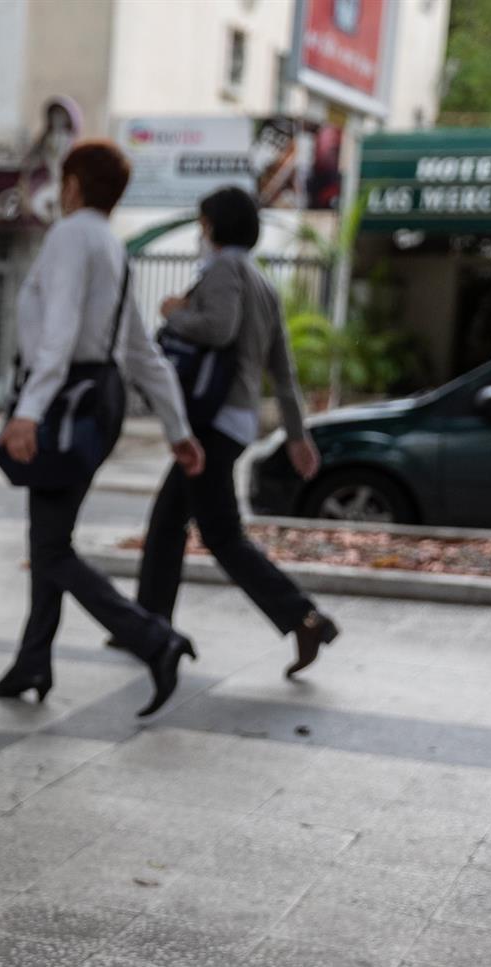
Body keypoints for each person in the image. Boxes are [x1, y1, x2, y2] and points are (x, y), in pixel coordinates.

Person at [0, 139, 207, 719]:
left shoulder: (72, 234)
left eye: (64, 176)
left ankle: (155, 640)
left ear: (76, 183)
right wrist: (177, 427)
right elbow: (139, 351)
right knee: (47, 541)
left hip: (65, 398)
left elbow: (57, 333)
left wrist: (28, 412)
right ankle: (33, 661)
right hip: (97, 400)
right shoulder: (112, 245)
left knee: (52, 548)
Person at [139, 185, 338, 677]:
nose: (200, 232)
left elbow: (219, 328)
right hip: (235, 420)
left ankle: (303, 617)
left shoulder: (225, 269)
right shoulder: (262, 281)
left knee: (220, 533)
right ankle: (146, 624)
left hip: (213, 418)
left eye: (203, 223)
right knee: (168, 521)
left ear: (214, 226)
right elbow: (284, 370)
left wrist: (174, 314)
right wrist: (296, 434)